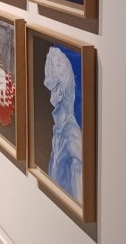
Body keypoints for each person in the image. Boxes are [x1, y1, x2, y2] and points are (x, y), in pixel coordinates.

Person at [43, 46, 83, 202]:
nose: (48, 95)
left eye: (51, 87)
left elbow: (80, 200)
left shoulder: (71, 138)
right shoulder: (59, 131)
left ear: (59, 92)